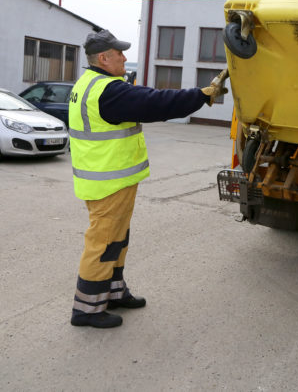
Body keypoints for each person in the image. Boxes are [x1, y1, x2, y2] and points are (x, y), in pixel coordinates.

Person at [69, 29, 228, 328]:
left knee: (117, 240)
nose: (124, 57)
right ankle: (87, 310)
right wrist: (201, 95)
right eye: (119, 53)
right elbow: (156, 102)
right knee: (103, 243)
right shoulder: (107, 91)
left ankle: (113, 292)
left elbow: (144, 98)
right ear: (103, 59)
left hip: (108, 180)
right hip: (107, 183)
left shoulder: (88, 83)